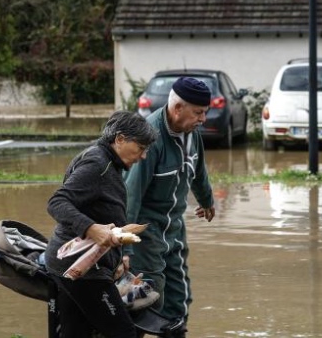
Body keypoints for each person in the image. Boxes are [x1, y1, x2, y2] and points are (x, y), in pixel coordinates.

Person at [44, 110, 158, 338]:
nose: (143, 156)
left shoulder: (107, 162)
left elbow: (106, 211)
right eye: (141, 148)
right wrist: (91, 229)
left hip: (72, 264)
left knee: (75, 333)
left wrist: (121, 254)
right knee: (124, 333)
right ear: (120, 139)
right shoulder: (98, 164)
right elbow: (56, 202)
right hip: (82, 268)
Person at [124, 76, 217, 336]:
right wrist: (123, 247)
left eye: (205, 113)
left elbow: (198, 170)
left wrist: (207, 200)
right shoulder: (149, 138)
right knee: (147, 299)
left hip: (174, 229)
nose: (203, 119)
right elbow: (131, 195)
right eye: (198, 113)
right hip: (145, 233)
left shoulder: (192, 135)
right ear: (177, 108)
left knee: (179, 296)